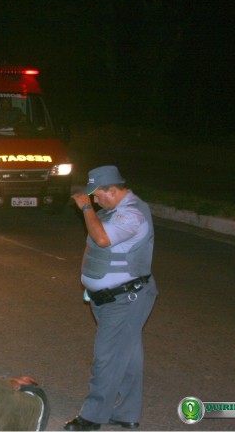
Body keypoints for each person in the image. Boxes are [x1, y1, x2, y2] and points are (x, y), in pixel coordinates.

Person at [66, 166, 158, 431]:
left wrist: (86, 209)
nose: (94, 200)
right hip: (108, 298)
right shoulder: (112, 211)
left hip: (125, 299)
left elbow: (103, 239)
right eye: (91, 198)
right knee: (127, 356)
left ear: (113, 190)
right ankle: (126, 413)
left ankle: (92, 418)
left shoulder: (134, 214)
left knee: (105, 358)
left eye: (97, 195)